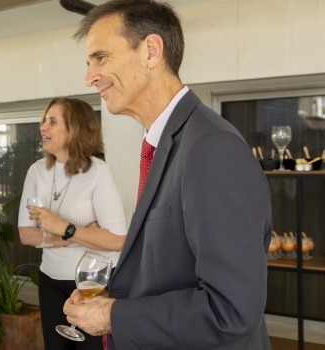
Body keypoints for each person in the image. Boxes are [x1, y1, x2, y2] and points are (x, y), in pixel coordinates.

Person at [63, 1, 272, 349]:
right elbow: (171, 268)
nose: (89, 77)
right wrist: (111, 294)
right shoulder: (168, 143)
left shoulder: (211, 148)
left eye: (101, 58)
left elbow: (231, 309)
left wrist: (112, 316)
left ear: (151, 51)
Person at [19, 97, 126, 349]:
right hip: (50, 280)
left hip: (92, 285)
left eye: (52, 121)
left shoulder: (97, 171)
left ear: (75, 129)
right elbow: (26, 234)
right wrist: (69, 235)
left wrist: (63, 227)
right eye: (44, 120)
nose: (43, 126)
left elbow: (117, 240)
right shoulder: (37, 171)